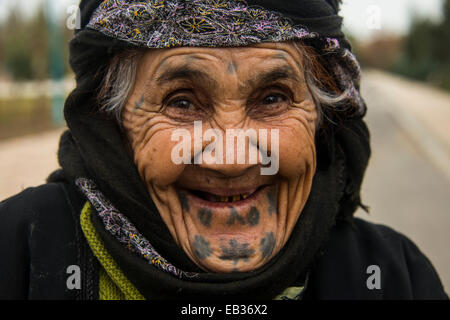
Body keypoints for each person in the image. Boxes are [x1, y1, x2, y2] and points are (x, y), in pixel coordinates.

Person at [0, 0, 447, 300]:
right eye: (182, 102)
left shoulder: (393, 278)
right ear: (112, 123)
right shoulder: (18, 256)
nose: (232, 159)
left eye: (272, 98)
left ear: (323, 117)